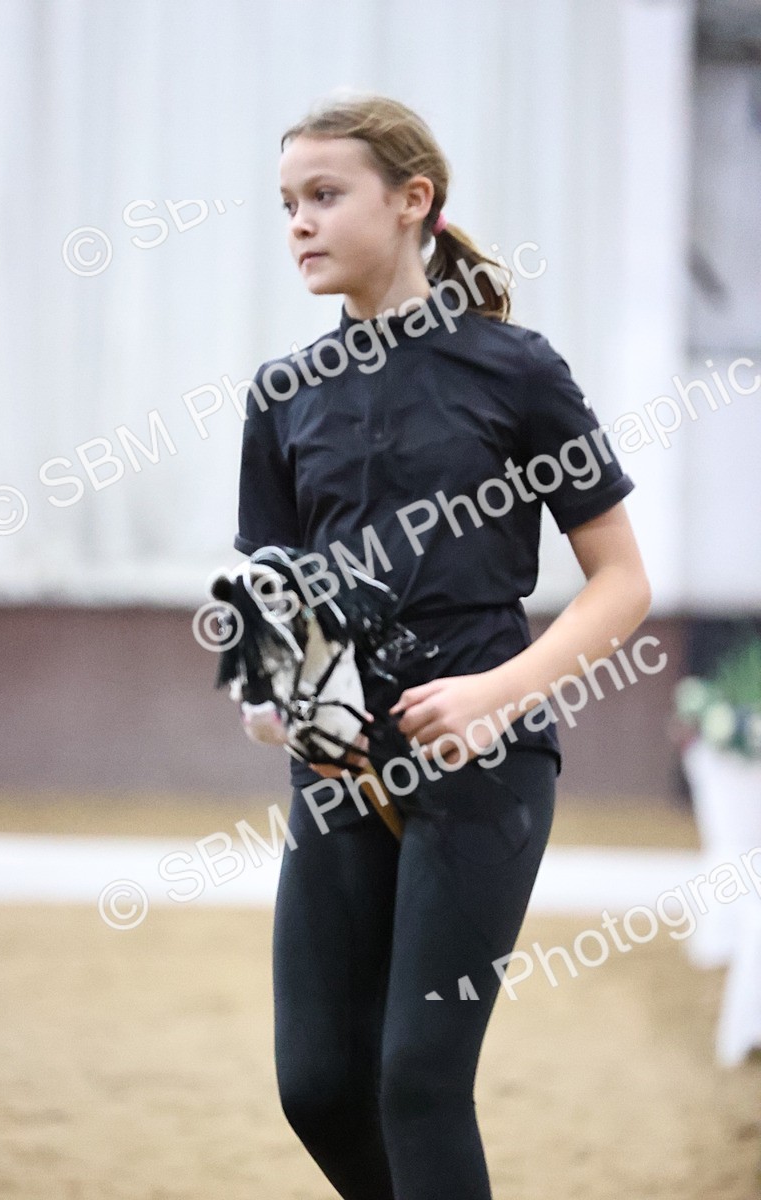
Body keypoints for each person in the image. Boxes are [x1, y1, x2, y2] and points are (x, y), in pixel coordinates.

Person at [232, 91, 652, 1200]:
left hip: (483, 766)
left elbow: (623, 584)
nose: (298, 226)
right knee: (318, 1086)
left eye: (324, 196)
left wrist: (495, 696)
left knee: (416, 1080)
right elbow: (264, 595)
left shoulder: (514, 372)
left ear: (414, 201)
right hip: (335, 775)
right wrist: (268, 693)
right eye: (285, 205)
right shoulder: (281, 397)